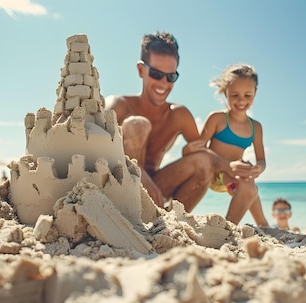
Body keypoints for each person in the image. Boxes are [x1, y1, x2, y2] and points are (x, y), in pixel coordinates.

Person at [105, 32, 230, 211]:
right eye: (156, 74)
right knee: (137, 124)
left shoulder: (179, 115)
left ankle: (171, 222)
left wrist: (234, 169)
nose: (163, 83)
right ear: (141, 70)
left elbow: (203, 153)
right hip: (116, 189)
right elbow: (91, 142)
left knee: (204, 162)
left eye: (171, 77)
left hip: (155, 190)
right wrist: (136, 170)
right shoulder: (119, 105)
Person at [184, 64, 268, 226]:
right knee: (247, 184)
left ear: (255, 93)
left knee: (250, 186)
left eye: (247, 95)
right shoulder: (218, 119)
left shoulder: (255, 127)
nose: (241, 100)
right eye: (234, 95)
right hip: (214, 174)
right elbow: (200, 149)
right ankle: (229, 227)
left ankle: (262, 224)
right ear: (225, 92)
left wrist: (258, 168)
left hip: (235, 177)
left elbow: (262, 160)